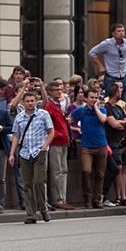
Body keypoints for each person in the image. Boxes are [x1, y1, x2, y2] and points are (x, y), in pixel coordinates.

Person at [9, 91, 54, 224]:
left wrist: (45, 146)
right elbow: (16, 135)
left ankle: (43, 207)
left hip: (39, 151)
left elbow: (51, 132)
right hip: (24, 153)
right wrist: (12, 154)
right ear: (23, 102)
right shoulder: (19, 117)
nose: (30, 103)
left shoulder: (43, 114)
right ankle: (31, 214)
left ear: (36, 101)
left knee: (39, 182)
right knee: (27, 184)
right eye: (27, 101)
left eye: (32, 101)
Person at [70, 88, 109, 208]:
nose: (94, 99)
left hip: (101, 145)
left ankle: (97, 199)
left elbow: (103, 119)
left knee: (100, 174)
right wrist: (76, 129)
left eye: (96, 97)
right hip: (86, 146)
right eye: (91, 97)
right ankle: (87, 197)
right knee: (86, 170)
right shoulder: (81, 111)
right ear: (86, 98)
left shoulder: (102, 109)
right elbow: (70, 119)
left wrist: (96, 107)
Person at [44, 82, 74, 210]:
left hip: (63, 141)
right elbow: (47, 126)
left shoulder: (58, 105)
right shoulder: (49, 105)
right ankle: (57, 199)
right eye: (56, 90)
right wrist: (59, 134)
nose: (59, 92)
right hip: (56, 141)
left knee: (63, 171)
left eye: (60, 89)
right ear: (50, 91)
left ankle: (62, 198)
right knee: (57, 171)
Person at [89, 23, 126, 101]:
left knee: (124, 101)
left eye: (123, 31)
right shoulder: (107, 43)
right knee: (109, 100)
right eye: (119, 31)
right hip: (111, 76)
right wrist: (100, 66)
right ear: (113, 33)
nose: (121, 33)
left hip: (123, 76)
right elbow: (92, 52)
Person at [102, 84, 126, 207]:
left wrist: (121, 123)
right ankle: (117, 196)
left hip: (121, 141)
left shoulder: (118, 107)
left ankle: (123, 196)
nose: (121, 92)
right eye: (120, 90)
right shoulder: (107, 107)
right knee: (116, 168)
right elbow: (114, 125)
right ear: (116, 92)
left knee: (122, 169)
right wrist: (123, 123)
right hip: (112, 142)